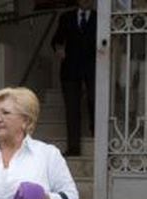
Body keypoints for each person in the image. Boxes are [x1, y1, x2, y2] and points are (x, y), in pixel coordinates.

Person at [51, 0, 97, 156]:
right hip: (70, 69)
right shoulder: (66, 17)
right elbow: (56, 40)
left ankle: (97, 136)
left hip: (94, 69)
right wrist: (59, 49)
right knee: (72, 108)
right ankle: (73, 147)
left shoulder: (100, 18)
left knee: (94, 101)